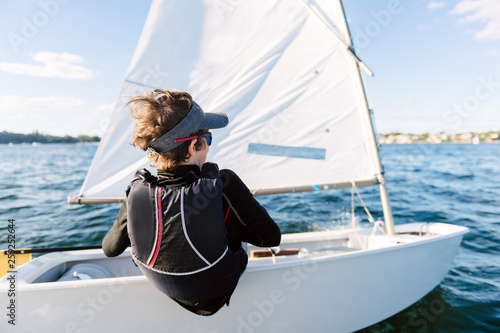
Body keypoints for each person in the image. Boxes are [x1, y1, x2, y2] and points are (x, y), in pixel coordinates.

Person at [102, 89, 281, 316]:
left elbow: (110, 249)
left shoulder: (136, 191)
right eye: (207, 139)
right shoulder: (224, 184)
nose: (209, 146)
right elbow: (270, 238)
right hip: (217, 291)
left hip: (168, 289)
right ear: (192, 147)